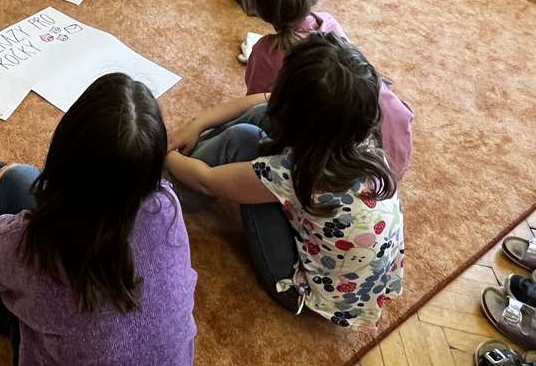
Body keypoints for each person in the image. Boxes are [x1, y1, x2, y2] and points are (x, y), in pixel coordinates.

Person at [0, 73, 197, 366]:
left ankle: (9, 318)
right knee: (21, 181)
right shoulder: (167, 206)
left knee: (12, 178)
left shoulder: (34, 242)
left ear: (64, 151)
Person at [166, 33, 404, 328]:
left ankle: (166, 190)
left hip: (301, 291)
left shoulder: (294, 174)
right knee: (258, 119)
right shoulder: (358, 135)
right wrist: (197, 124)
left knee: (242, 141)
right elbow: (264, 103)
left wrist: (164, 151)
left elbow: (207, 180)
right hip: (359, 282)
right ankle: (189, 160)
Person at [238, 0, 413, 178]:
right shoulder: (329, 23)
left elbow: (256, 104)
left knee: (247, 129)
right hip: (391, 147)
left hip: (341, 161)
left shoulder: (265, 51)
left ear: (258, 7)